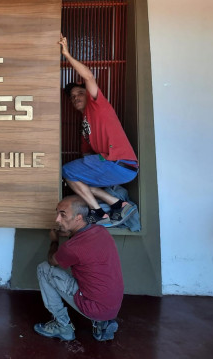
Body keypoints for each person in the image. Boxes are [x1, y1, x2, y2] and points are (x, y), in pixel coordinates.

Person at [59, 34, 138, 226]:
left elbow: (88, 76)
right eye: (72, 97)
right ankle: (119, 205)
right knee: (80, 181)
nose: (75, 98)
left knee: (67, 171)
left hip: (119, 162)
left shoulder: (97, 105)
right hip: (114, 166)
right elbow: (86, 154)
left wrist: (66, 54)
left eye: (79, 93)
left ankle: (98, 212)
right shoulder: (85, 124)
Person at [34, 195, 123, 341]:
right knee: (93, 283)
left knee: (43, 269)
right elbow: (81, 241)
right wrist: (69, 233)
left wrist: (54, 241)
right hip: (112, 306)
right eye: (57, 213)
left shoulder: (71, 248)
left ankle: (62, 326)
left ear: (78, 218)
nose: (57, 220)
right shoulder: (100, 231)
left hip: (92, 306)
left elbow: (52, 261)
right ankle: (102, 323)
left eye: (63, 215)